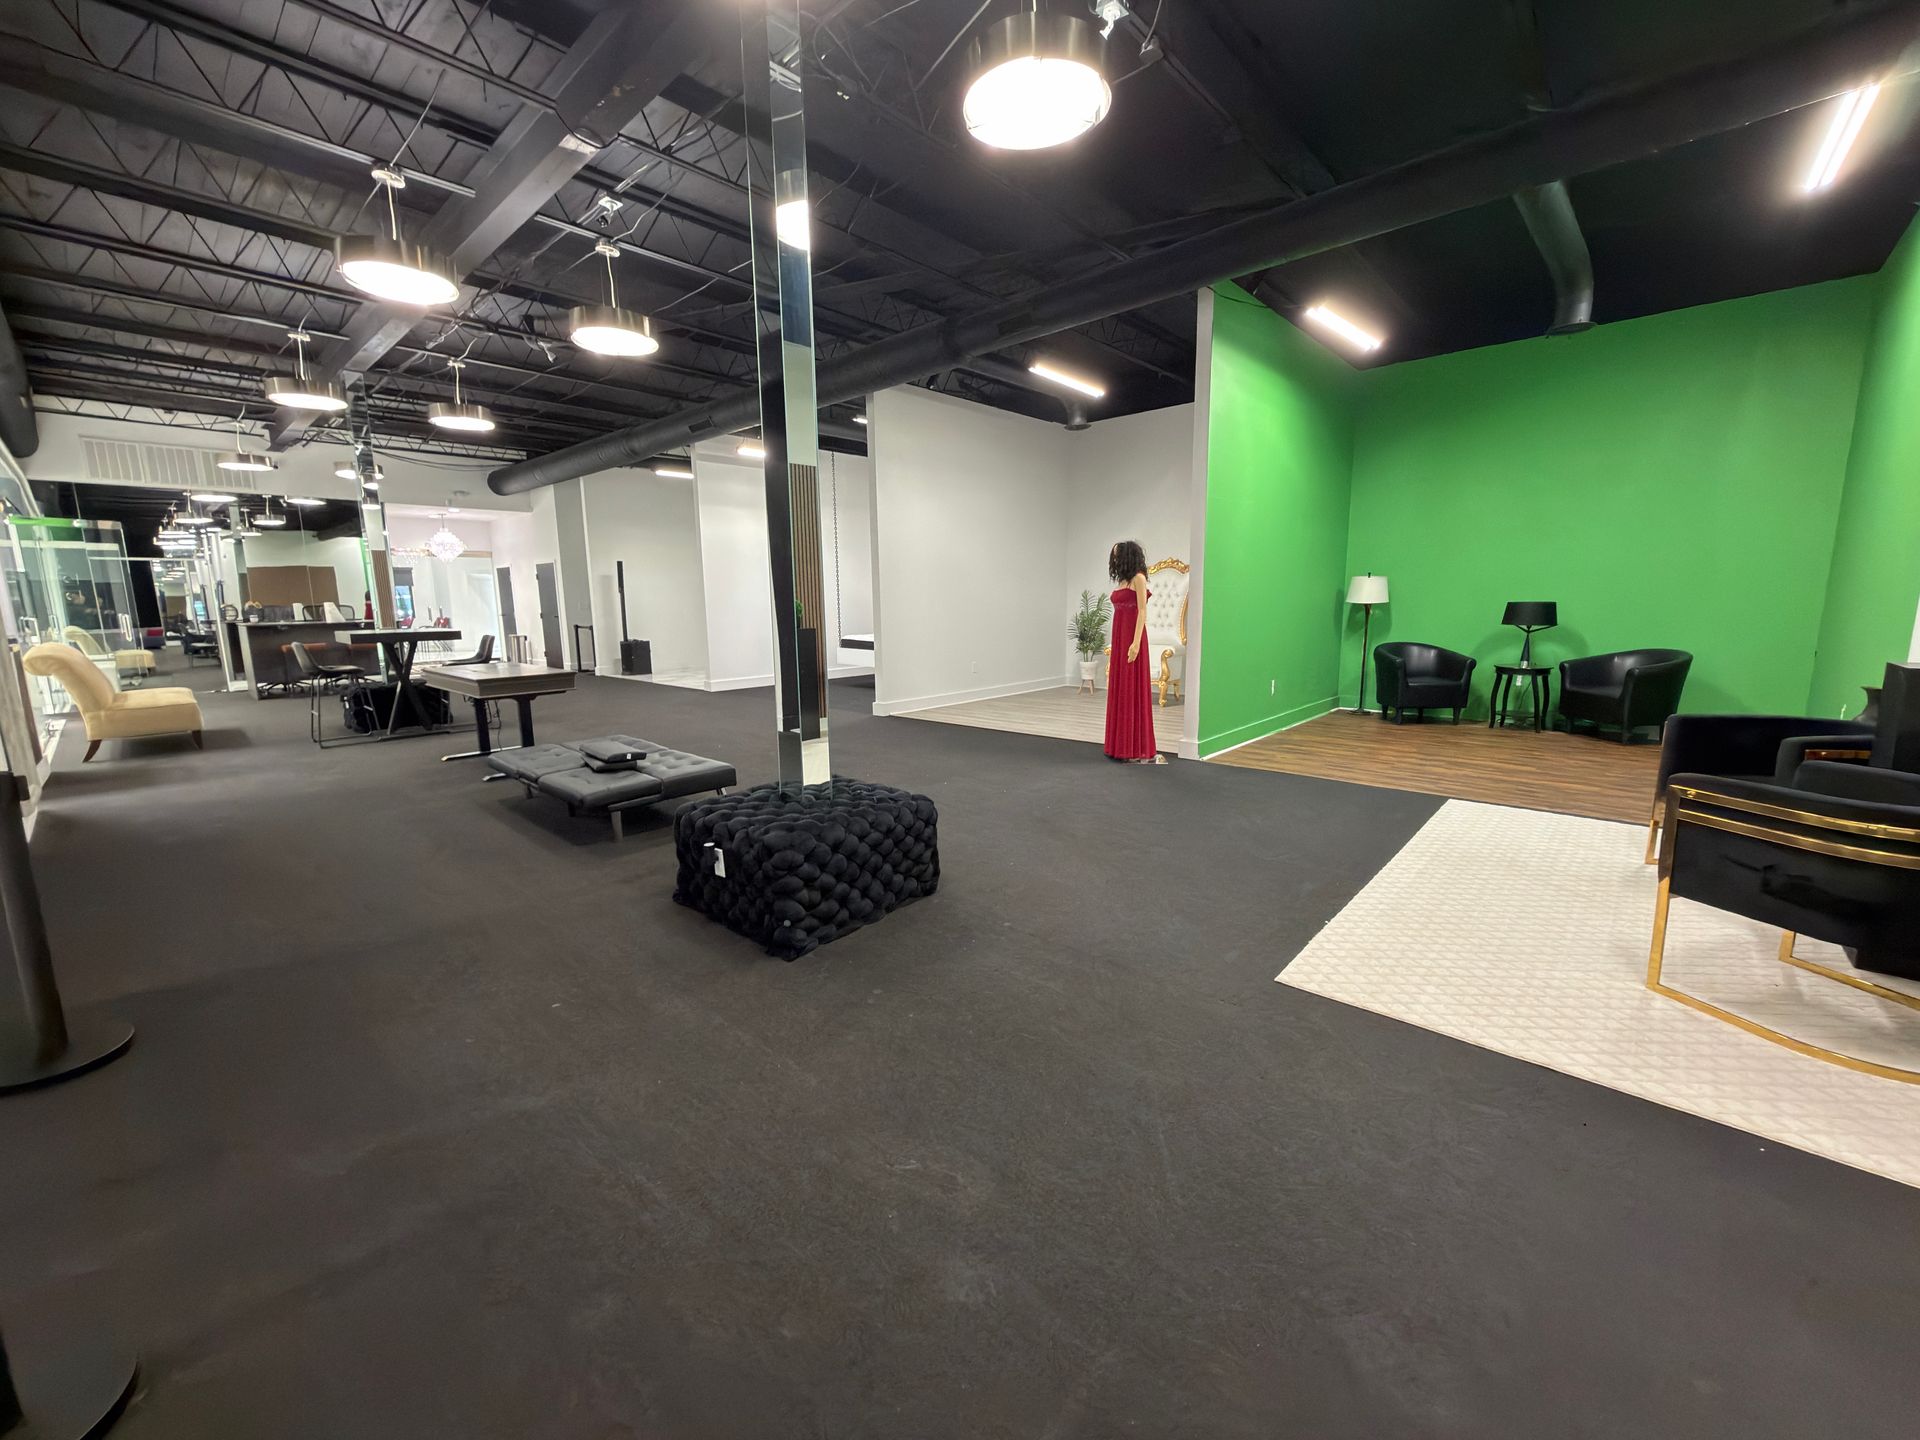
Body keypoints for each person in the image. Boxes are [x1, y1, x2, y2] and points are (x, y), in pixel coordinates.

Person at [1103, 540, 1165, 764]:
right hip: (1119, 637)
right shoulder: (1122, 581)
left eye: (1118, 555)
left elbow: (1142, 611)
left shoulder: (1139, 578)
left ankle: (1134, 746)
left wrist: (1136, 643)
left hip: (1132, 638)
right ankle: (1118, 745)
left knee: (1131, 687)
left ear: (1127, 556)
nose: (1115, 559)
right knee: (1120, 687)